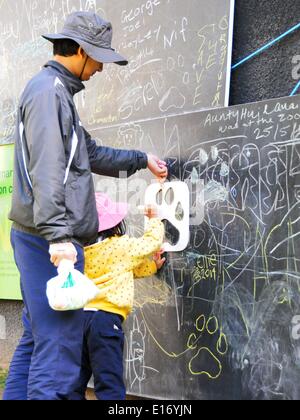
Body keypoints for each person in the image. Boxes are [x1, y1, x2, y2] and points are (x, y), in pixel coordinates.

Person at [4, 11, 167, 401]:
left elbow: (89, 151)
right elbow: (47, 169)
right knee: (59, 351)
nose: (100, 69)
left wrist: (140, 158)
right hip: (50, 243)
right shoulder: (48, 94)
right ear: (79, 50)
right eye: (97, 59)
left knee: (36, 338)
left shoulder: (55, 92)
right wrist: (60, 242)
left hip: (42, 238)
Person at [72, 193, 166, 400]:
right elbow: (151, 242)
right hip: (105, 320)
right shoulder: (120, 246)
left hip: (79, 319)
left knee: (76, 379)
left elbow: (125, 270)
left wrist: (151, 266)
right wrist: (153, 218)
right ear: (115, 224)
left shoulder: (81, 251)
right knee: (109, 380)